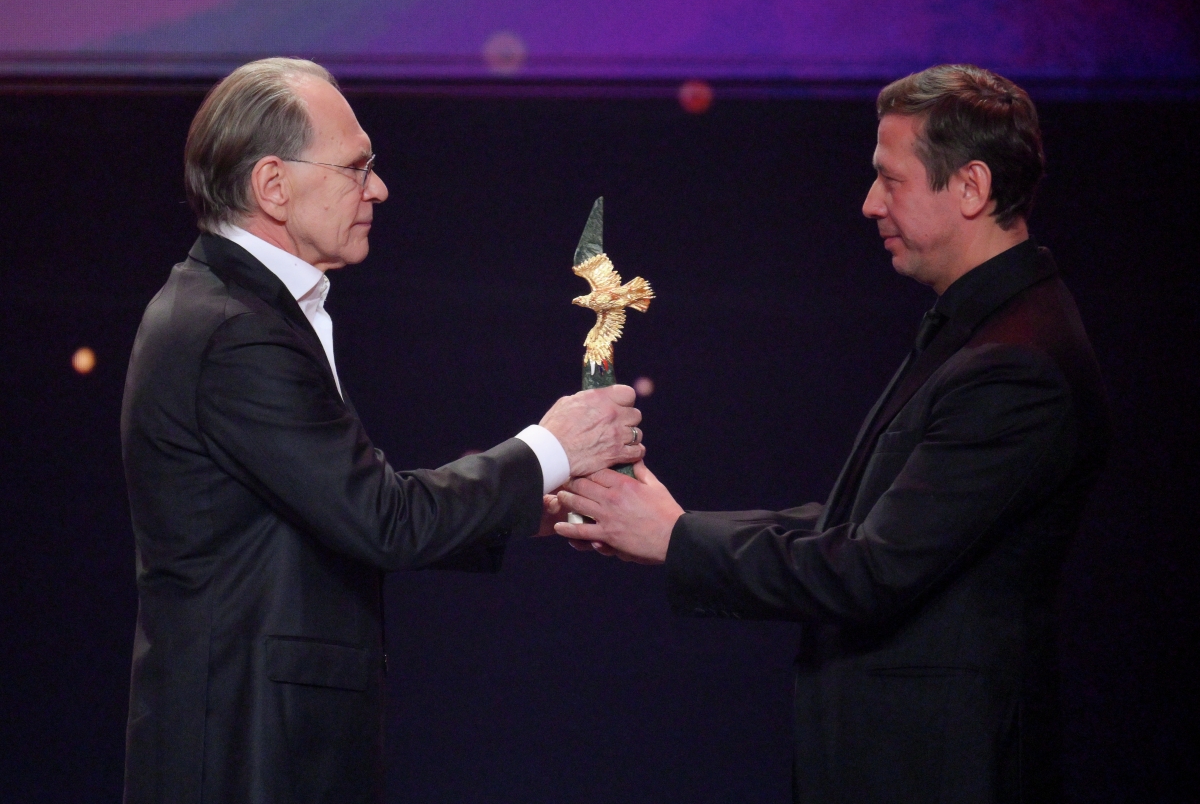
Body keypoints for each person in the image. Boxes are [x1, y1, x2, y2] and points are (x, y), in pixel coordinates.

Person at [554, 64, 1110, 803]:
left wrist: (677, 538)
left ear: (971, 187)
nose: (869, 202)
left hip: (935, 771)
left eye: (891, 179)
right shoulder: (977, 329)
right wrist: (671, 522)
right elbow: (861, 526)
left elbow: (871, 568)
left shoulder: (1015, 365)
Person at [120, 57, 646, 804]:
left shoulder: (246, 310)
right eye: (356, 167)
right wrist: (552, 446)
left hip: (267, 739)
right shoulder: (233, 328)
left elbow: (339, 505)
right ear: (273, 185)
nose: (379, 189)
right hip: (243, 750)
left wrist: (521, 507)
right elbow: (379, 518)